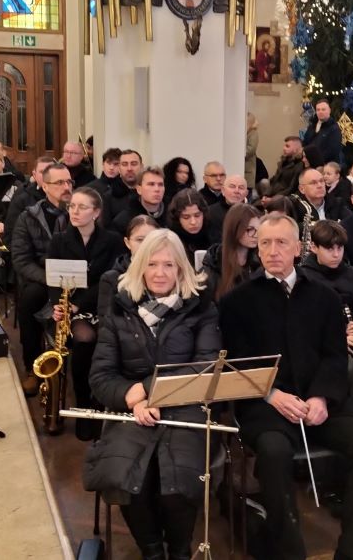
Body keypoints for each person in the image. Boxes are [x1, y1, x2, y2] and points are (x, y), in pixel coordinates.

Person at [218, 214, 353, 560]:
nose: (272, 251)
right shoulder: (237, 302)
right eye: (265, 243)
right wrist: (272, 395)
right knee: (274, 453)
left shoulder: (325, 297)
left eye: (281, 243)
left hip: (322, 403)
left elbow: (335, 356)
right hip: (267, 406)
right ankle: (288, 551)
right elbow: (237, 363)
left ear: (298, 248)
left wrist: (321, 397)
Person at [84, 229, 220, 560]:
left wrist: (146, 391)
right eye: (152, 264)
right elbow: (100, 377)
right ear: (140, 266)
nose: (160, 273)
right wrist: (131, 397)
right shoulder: (119, 310)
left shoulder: (202, 308)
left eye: (169, 265)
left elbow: (203, 368)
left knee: (177, 481)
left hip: (185, 406)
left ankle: (180, 551)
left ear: (181, 269)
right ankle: (152, 551)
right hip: (131, 410)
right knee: (129, 478)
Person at [47, 187, 125, 439]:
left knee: (111, 338)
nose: (75, 211)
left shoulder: (112, 240)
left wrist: (79, 304)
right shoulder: (59, 240)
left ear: (96, 212)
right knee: (84, 339)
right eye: (72, 206)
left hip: (104, 305)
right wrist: (58, 306)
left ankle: (100, 399)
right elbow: (53, 280)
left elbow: (109, 280)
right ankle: (82, 403)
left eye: (82, 207)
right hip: (72, 308)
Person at [12, 163, 73, 396]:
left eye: (69, 182)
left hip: (76, 277)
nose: (66, 187)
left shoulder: (80, 211)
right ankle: (33, 368)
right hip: (43, 277)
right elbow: (21, 259)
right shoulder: (28, 217)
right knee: (29, 299)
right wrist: (50, 278)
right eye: (59, 183)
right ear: (44, 186)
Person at [300, 221, 353, 351]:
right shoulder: (303, 277)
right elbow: (305, 323)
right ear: (314, 247)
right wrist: (339, 336)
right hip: (318, 345)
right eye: (329, 249)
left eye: (340, 248)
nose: (336, 255)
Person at [98, 215, 161, 317]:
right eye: (140, 240)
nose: (146, 245)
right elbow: (106, 321)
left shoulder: (168, 273)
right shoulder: (111, 278)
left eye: (151, 239)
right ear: (127, 243)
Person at [201, 203, 262, 302]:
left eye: (259, 230)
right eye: (250, 229)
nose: (256, 235)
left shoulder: (258, 264)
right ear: (234, 228)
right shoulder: (214, 265)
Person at [113, 167, 167, 234]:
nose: (157, 189)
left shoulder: (172, 216)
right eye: (151, 184)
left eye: (160, 185)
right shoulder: (124, 220)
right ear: (139, 189)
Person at [88, 147, 131, 225]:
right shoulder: (90, 188)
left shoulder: (127, 187)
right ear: (103, 164)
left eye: (116, 164)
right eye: (108, 163)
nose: (111, 168)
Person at [168, 189, 211, 261]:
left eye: (197, 215)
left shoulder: (214, 233)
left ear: (204, 214)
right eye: (186, 217)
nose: (193, 222)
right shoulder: (171, 241)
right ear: (177, 218)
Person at [205, 174, 249, 243]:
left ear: (246, 193)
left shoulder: (251, 214)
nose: (236, 191)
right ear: (223, 190)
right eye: (232, 187)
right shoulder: (210, 212)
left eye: (241, 188)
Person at [302, 99, 344, 167]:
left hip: (326, 166)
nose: (320, 112)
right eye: (318, 110)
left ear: (329, 110)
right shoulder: (312, 126)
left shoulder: (334, 128)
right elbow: (305, 143)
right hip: (309, 164)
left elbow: (332, 150)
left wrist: (317, 162)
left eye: (323, 109)